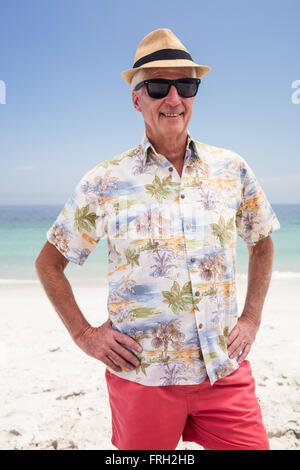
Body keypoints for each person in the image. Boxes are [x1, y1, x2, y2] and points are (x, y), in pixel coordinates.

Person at [35, 28, 280, 450]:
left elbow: (261, 242)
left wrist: (252, 318)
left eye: (185, 85)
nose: (173, 98)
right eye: (157, 86)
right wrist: (84, 335)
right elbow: (48, 263)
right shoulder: (105, 180)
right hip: (142, 379)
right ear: (137, 98)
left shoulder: (232, 168)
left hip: (223, 371)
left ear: (194, 93)